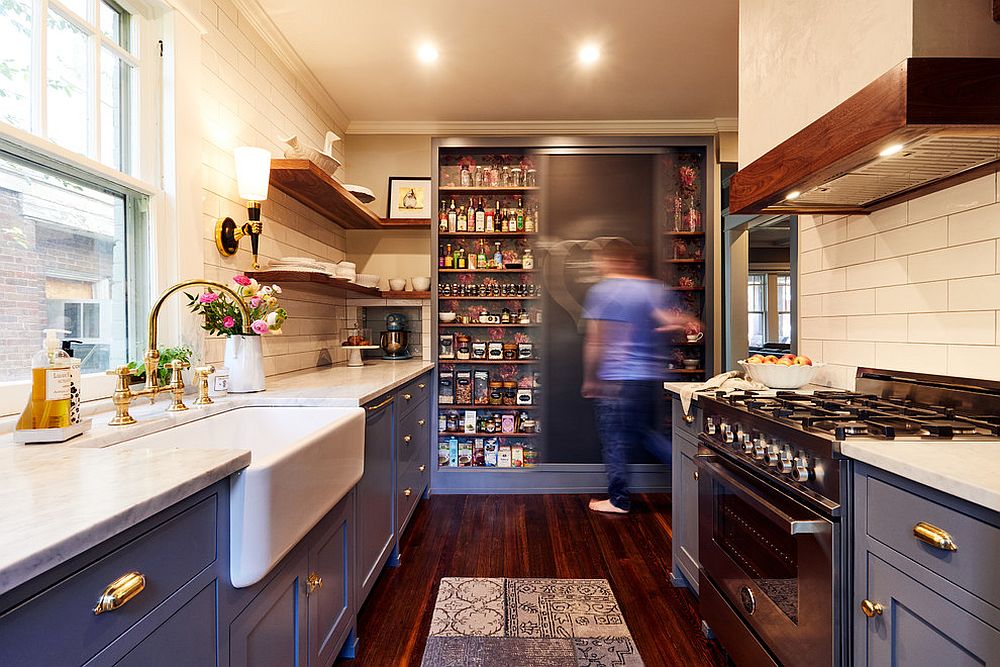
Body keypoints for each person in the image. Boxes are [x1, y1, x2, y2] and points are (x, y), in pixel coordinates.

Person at [581, 238, 700, 514]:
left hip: (617, 377)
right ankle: (698, 475)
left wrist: (590, 377)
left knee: (613, 440)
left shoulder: (602, 291)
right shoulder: (651, 289)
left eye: (599, 260)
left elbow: (596, 339)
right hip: (648, 378)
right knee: (648, 435)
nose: (597, 265)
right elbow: (672, 322)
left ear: (610, 260)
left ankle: (618, 499)